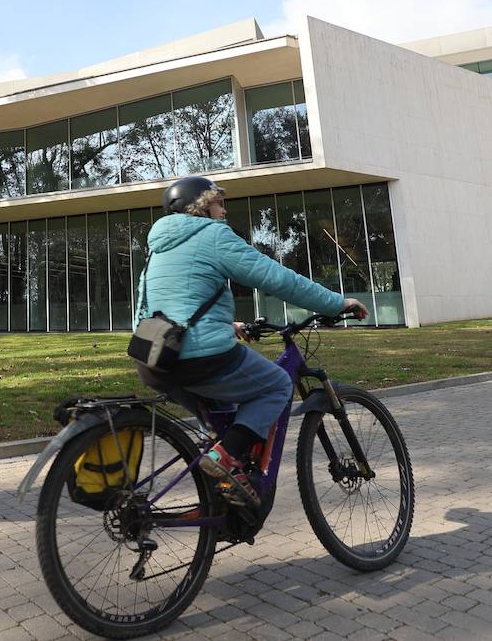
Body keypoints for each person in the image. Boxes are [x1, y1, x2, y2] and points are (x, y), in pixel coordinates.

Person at [134, 176, 368, 508]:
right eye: (218, 202)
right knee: (276, 385)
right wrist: (336, 302)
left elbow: (163, 306)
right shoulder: (212, 235)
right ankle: (226, 458)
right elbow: (276, 277)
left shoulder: (157, 249)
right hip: (199, 359)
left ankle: (226, 494)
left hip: (154, 359)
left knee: (221, 422)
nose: (224, 209)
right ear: (201, 207)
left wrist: (224, 325)